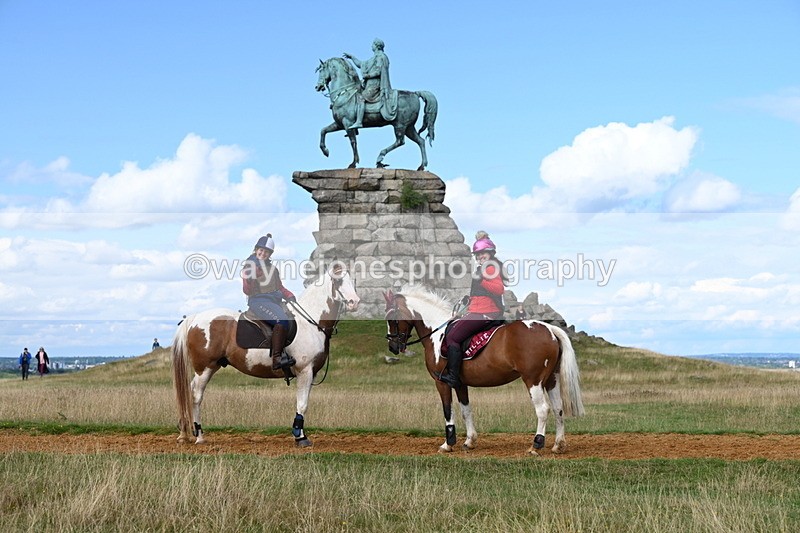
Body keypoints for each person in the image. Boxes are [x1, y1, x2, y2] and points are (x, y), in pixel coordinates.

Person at [439, 231, 507, 388]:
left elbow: (498, 289)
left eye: (483, 253)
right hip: (477, 311)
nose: (480, 256)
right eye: (478, 254)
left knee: (453, 338)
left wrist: (483, 281)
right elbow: (479, 295)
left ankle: (453, 377)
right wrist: (463, 307)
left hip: (485, 313)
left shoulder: (490, 268)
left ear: (490, 253)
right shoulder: (483, 269)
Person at [240, 234, 297, 371]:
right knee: (281, 320)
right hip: (258, 301)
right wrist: (248, 279)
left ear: (269, 254)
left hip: (273, 301)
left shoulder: (273, 269)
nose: (262, 253)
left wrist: (290, 295)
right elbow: (247, 291)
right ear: (256, 250)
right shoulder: (250, 266)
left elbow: (279, 287)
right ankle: (277, 359)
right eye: (261, 250)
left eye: (266, 252)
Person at [343, 38, 397, 129]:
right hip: (369, 85)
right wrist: (352, 57)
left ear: (376, 46)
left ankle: (359, 122)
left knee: (360, 98)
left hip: (375, 85)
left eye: (372, 44)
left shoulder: (381, 57)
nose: (371, 46)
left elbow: (378, 71)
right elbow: (361, 64)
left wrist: (368, 75)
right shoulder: (374, 58)